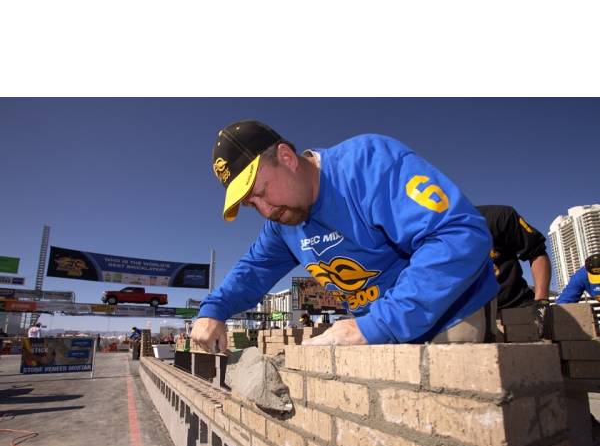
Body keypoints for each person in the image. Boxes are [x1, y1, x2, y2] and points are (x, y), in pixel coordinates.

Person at [192, 120, 499, 352]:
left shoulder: (367, 164)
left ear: (286, 157)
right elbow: (252, 271)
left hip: (446, 313)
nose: (265, 209)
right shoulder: (282, 222)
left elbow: (458, 234)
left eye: (261, 192)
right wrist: (213, 310)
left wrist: (377, 325)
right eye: (251, 204)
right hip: (371, 330)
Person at [476, 205, 551, 337]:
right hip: (472, 313)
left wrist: (541, 302)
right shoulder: (432, 236)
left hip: (514, 305)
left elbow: (536, 252)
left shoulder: (498, 217)